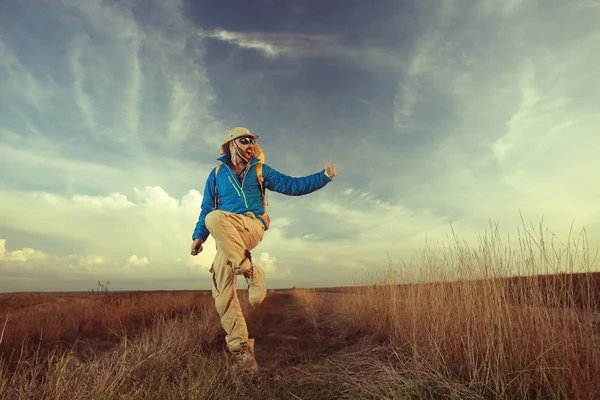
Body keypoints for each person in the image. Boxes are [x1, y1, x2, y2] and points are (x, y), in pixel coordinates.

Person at [190, 126, 337, 373]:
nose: (250, 145)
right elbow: (206, 207)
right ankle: (243, 357)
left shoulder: (259, 170)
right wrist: (198, 237)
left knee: (214, 219)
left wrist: (324, 175)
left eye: (252, 142)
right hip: (227, 238)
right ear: (231, 143)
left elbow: (292, 185)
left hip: (251, 225)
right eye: (245, 140)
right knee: (221, 295)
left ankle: (250, 272)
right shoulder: (216, 174)